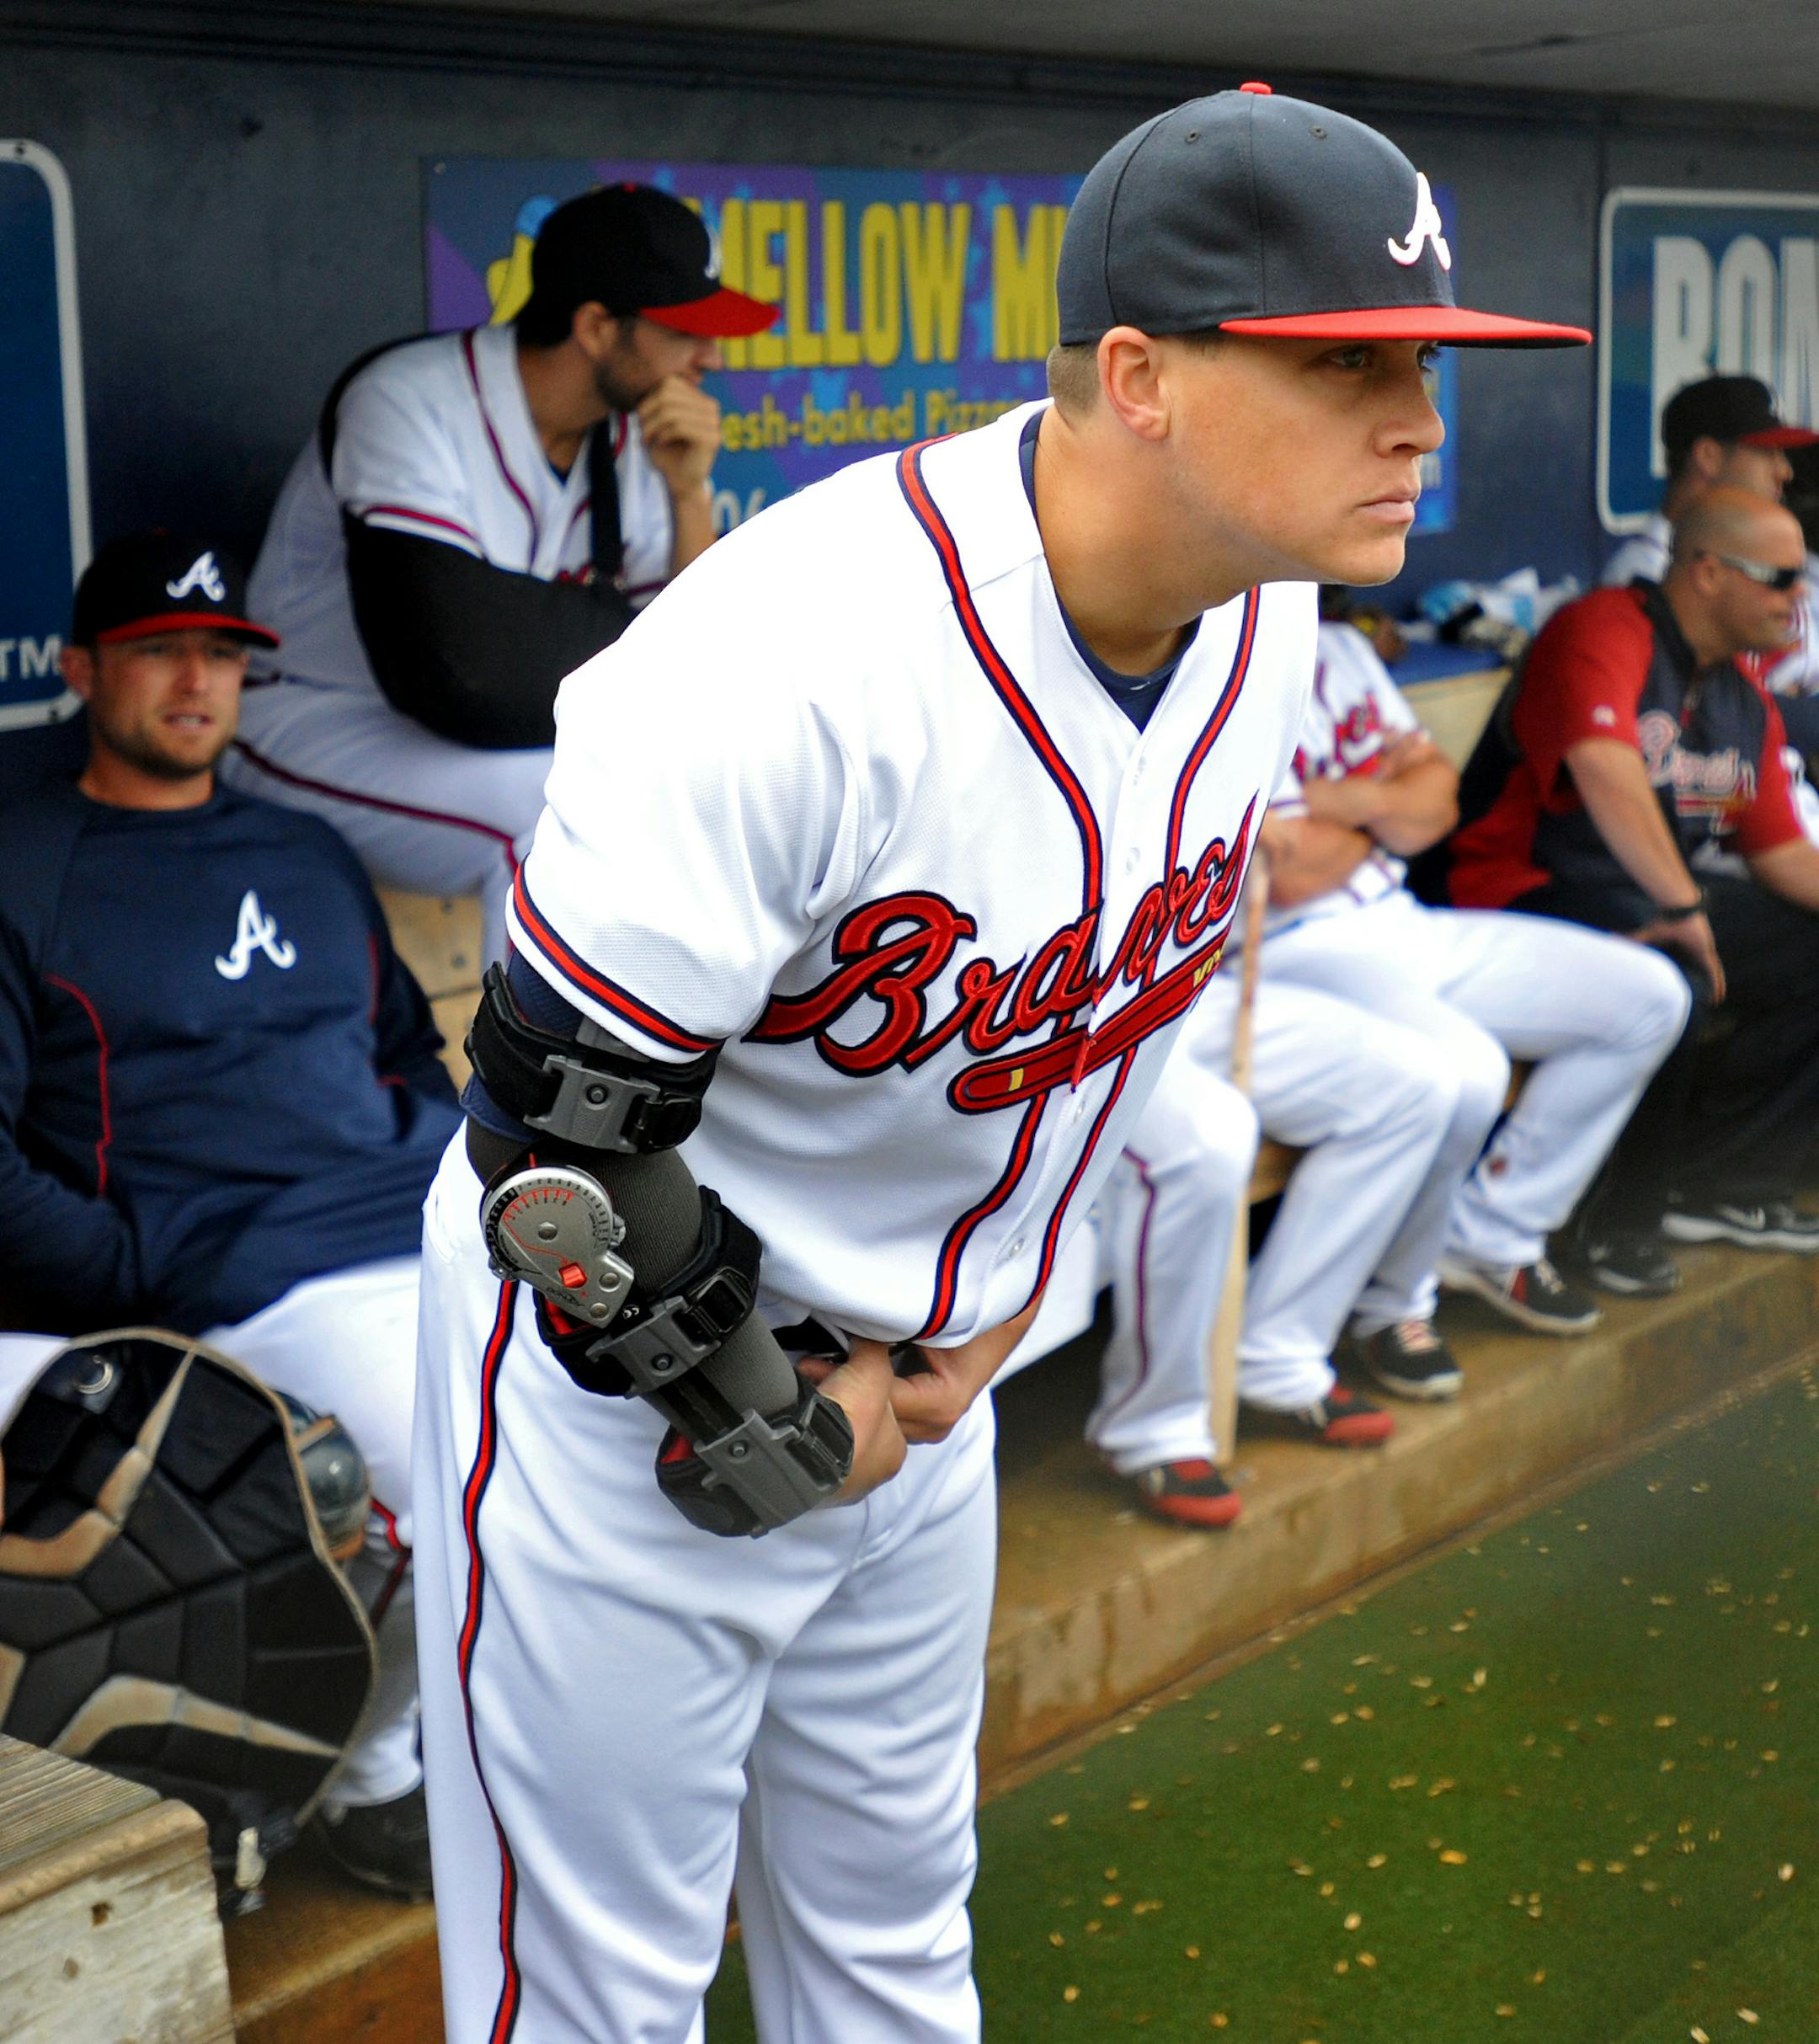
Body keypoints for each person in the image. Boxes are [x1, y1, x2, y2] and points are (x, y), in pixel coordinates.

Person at [411, 86, 1587, 2041]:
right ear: (1136, 374)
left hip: (925, 1392)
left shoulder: (1267, 613)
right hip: (629, 1409)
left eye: (1427, 359)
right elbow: (556, 1154)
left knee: (891, 1958)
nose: (1415, 417)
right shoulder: (781, 664)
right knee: (588, 2004)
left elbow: (1100, 1009)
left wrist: (968, 1341)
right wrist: (778, 1411)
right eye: (1345, 362)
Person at [0, 531, 463, 1897]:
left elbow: (401, 1055)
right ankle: (372, 1782)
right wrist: (141, 1269)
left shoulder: (306, 847)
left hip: (431, 1224)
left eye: (218, 654)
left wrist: (449, 1163)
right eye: (157, 652)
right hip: (257, 1275)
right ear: (84, 671)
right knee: (452, 1502)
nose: (195, 680)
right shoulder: (27, 869)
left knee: (635, 1443)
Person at [1086, 622, 1691, 1527]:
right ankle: (1360, 1318)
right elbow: (1282, 871)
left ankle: (1456, 1254)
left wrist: (1347, 811)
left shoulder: (1335, 649)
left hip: (1394, 918)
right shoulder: (1195, 653)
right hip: (1271, 955)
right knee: (1456, 1072)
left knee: (1646, 994)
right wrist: (1379, 816)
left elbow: (1437, 801)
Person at [223, 184, 781, 959]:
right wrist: (620, 655)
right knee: (557, 815)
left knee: (692, 795)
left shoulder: (638, 439)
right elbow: (457, 670)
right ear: (594, 326)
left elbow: (695, 666)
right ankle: (518, 1081)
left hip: (494, 735)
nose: (712, 357)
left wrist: (689, 493)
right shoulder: (410, 402)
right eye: (686, 331)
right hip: (312, 720)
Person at [1448, 489, 1819, 1286]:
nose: (1800, 596)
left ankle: (1725, 1178)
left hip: (1639, 898)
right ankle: (1609, 1224)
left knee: (1805, 941)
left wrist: (1678, 906)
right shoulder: (1604, 628)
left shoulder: (1741, 698)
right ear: (1709, 572)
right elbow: (1604, 765)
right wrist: (1685, 908)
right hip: (1510, 894)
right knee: (1668, 971)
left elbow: (1784, 854)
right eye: (1780, 577)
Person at [1603, 375, 1819, 745]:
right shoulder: (1644, 579)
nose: (1784, 472)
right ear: (1709, 457)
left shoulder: (1761, 565)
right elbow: (1697, 724)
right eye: (1767, 453)